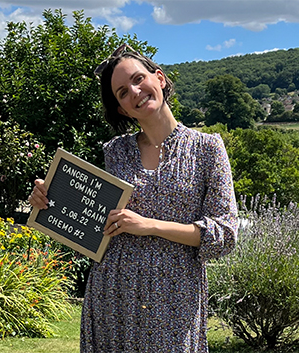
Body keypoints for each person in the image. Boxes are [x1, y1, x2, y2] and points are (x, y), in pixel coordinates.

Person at [28, 44, 238, 352]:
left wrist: (149, 225)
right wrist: (50, 199)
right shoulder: (116, 151)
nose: (135, 92)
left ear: (160, 79)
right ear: (122, 109)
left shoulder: (207, 149)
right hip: (112, 295)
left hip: (174, 300)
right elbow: (96, 217)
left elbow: (225, 234)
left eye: (139, 79)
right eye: (123, 93)